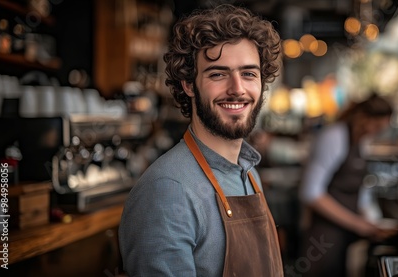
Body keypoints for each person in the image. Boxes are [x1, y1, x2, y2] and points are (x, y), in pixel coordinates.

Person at [118, 4, 283, 277]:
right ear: (188, 84)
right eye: (218, 74)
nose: (237, 89)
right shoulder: (167, 191)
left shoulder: (249, 171)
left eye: (249, 73)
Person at [297, 93, 398, 277]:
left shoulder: (362, 140)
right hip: (324, 235)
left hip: (344, 231)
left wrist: (370, 219)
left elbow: (360, 187)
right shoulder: (334, 137)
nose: (375, 132)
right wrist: (357, 224)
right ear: (363, 118)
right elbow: (310, 192)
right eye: (375, 126)